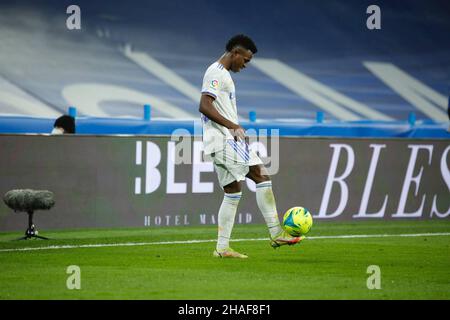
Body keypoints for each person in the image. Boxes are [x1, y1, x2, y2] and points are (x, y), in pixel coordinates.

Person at [199, 34, 303, 259]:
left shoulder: (222, 74)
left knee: (232, 191)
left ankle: (222, 248)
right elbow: (204, 105)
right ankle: (276, 233)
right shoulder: (216, 73)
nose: (245, 65)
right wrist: (232, 125)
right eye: (245, 60)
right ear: (235, 53)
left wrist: (233, 126)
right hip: (222, 139)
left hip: (219, 140)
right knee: (261, 175)